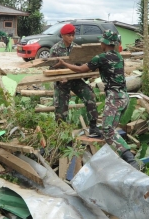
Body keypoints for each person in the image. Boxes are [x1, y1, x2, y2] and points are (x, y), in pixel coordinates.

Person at [54, 30, 139, 169]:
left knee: (107, 131)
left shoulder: (101, 57)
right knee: (111, 130)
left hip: (114, 98)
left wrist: (65, 63)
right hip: (124, 97)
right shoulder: (118, 56)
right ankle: (122, 161)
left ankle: (131, 161)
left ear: (104, 43)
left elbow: (81, 69)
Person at [49, 24, 100, 137]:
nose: (71, 37)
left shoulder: (77, 48)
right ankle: (62, 135)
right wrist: (59, 77)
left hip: (75, 80)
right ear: (62, 35)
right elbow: (50, 69)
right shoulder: (55, 49)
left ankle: (93, 127)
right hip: (61, 82)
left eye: (73, 35)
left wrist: (88, 74)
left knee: (90, 95)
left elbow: (82, 65)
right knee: (61, 109)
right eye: (68, 35)